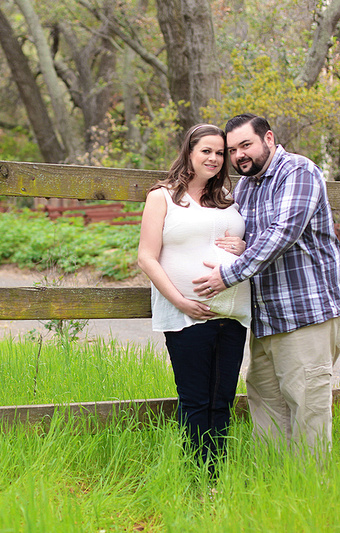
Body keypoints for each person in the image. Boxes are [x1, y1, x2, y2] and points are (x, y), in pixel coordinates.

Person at [192, 113, 340, 456]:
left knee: (308, 407)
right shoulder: (246, 187)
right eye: (232, 150)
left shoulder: (298, 171)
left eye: (245, 145)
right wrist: (240, 247)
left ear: (268, 139)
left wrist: (225, 276)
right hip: (265, 320)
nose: (238, 156)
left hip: (306, 313)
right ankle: (275, 488)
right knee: (266, 407)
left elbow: (283, 233)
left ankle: (312, 493)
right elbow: (250, 240)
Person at [137, 123, 251, 475]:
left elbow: (250, 246)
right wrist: (181, 302)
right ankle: (196, 477)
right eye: (207, 151)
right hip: (187, 315)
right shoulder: (163, 197)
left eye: (220, 153)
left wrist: (245, 247)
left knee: (223, 400)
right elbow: (146, 257)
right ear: (189, 152)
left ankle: (216, 474)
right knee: (195, 400)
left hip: (231, 314)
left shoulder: (230, 201)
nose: (215, 158)